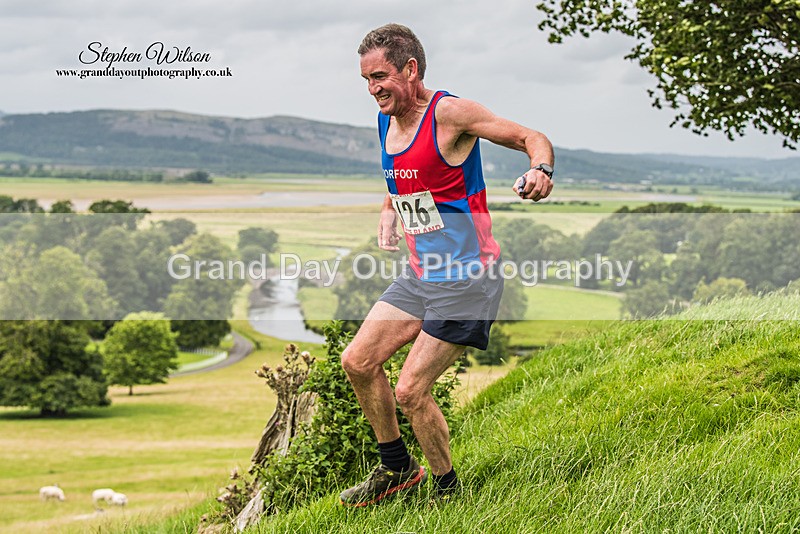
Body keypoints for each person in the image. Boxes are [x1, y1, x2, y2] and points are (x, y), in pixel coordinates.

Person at [339, 23, 554, 507]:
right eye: (366, 80)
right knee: (357, 362)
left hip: (467, 282)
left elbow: (529, 136)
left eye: (381, 77)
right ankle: (397, 470)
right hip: (420, 276)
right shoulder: (387, 119)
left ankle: (448, 492)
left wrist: (541, 169)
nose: (373, 89)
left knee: (411, 390)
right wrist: (389, 207)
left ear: (411, 69)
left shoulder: (451, 114)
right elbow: (406, 177)